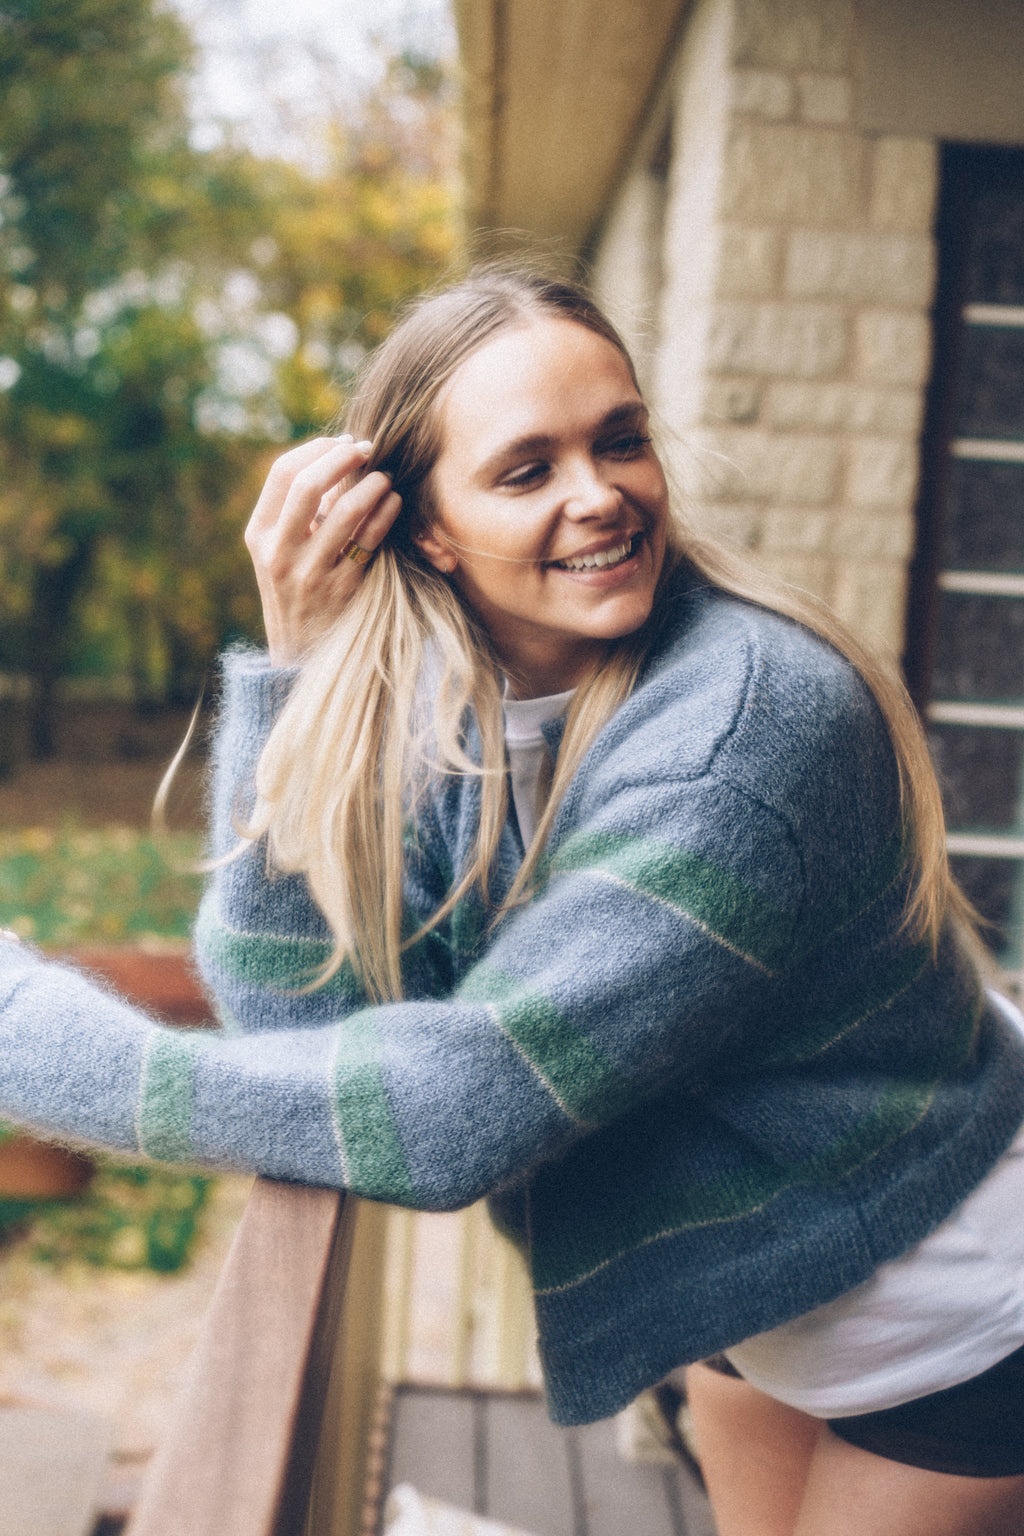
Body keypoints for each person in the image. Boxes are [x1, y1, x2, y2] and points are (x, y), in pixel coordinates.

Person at [2, 265, 1024, 1535]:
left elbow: (452, 1116)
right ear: (421, 525)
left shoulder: (745, 734)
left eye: (620, 439)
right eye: (526, 468)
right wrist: (299, 674)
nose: (600, 495)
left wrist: (27, 1041)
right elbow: (297, 1027)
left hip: (955, 1304)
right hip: (754, 1280)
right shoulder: (464, 716)